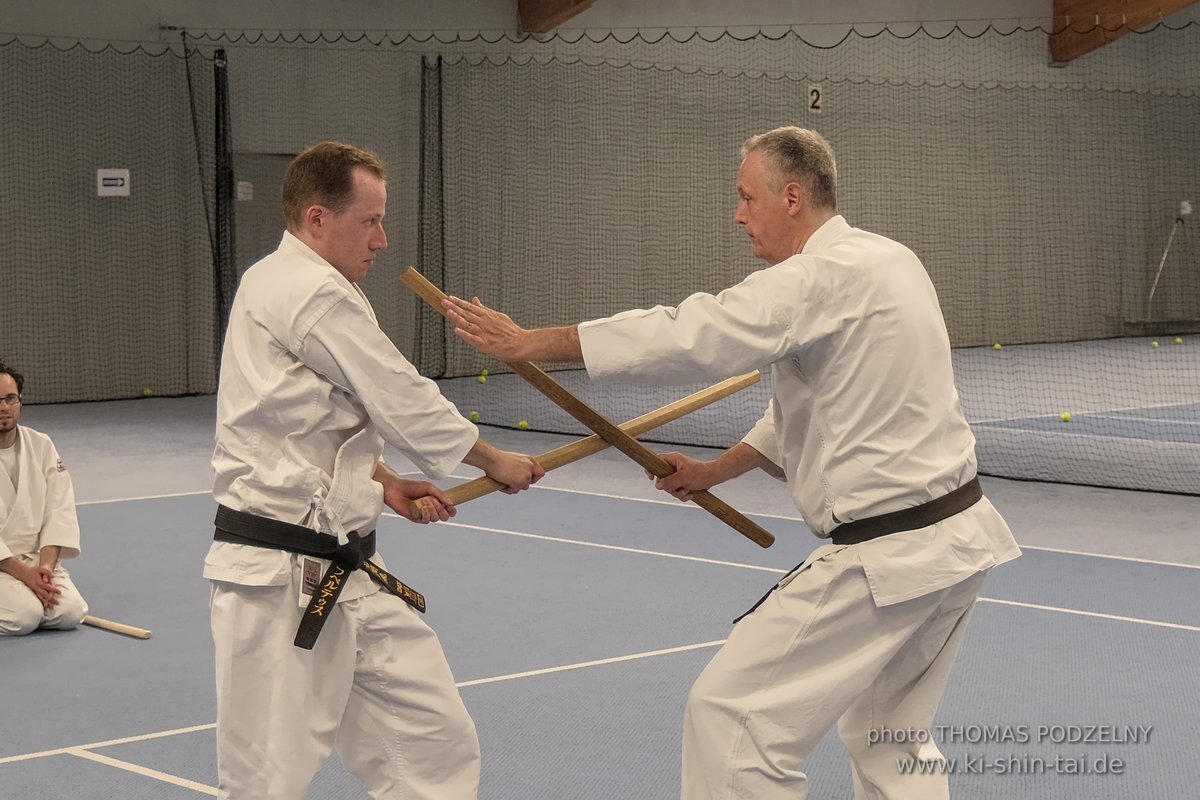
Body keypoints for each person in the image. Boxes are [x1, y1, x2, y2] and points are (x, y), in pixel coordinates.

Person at [443, 127, 1021, 799]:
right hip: (956, 542)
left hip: (886, 557)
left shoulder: (819, 277)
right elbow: (822, 402)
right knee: (888, 736)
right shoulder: (891, 261)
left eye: (747, 198)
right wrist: (717, 471)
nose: (738, 214)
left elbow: (696, 333)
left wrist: (530, 342)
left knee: (730, 717)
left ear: (793, 196)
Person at [207, 141, 543, 800]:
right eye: (370, 221)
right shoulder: (308, 290)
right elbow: (400, 394)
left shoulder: (283, 284)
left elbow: (305, 420)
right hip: (279, 579)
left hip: (347, 569)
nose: (383, 240)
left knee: (430, 740)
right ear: (316, 220)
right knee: (264, 780)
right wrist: (493, 459)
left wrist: (382, 481)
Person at [0, 362, 89, 635]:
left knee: (71, 612)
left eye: (10, 398)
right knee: (25, 617)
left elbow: (58, 511)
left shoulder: (41, 445)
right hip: (6, 562)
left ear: (20, 402)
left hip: (36, 561)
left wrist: (44, 571)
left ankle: (27, 594)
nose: (3, 406)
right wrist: (24, 575)